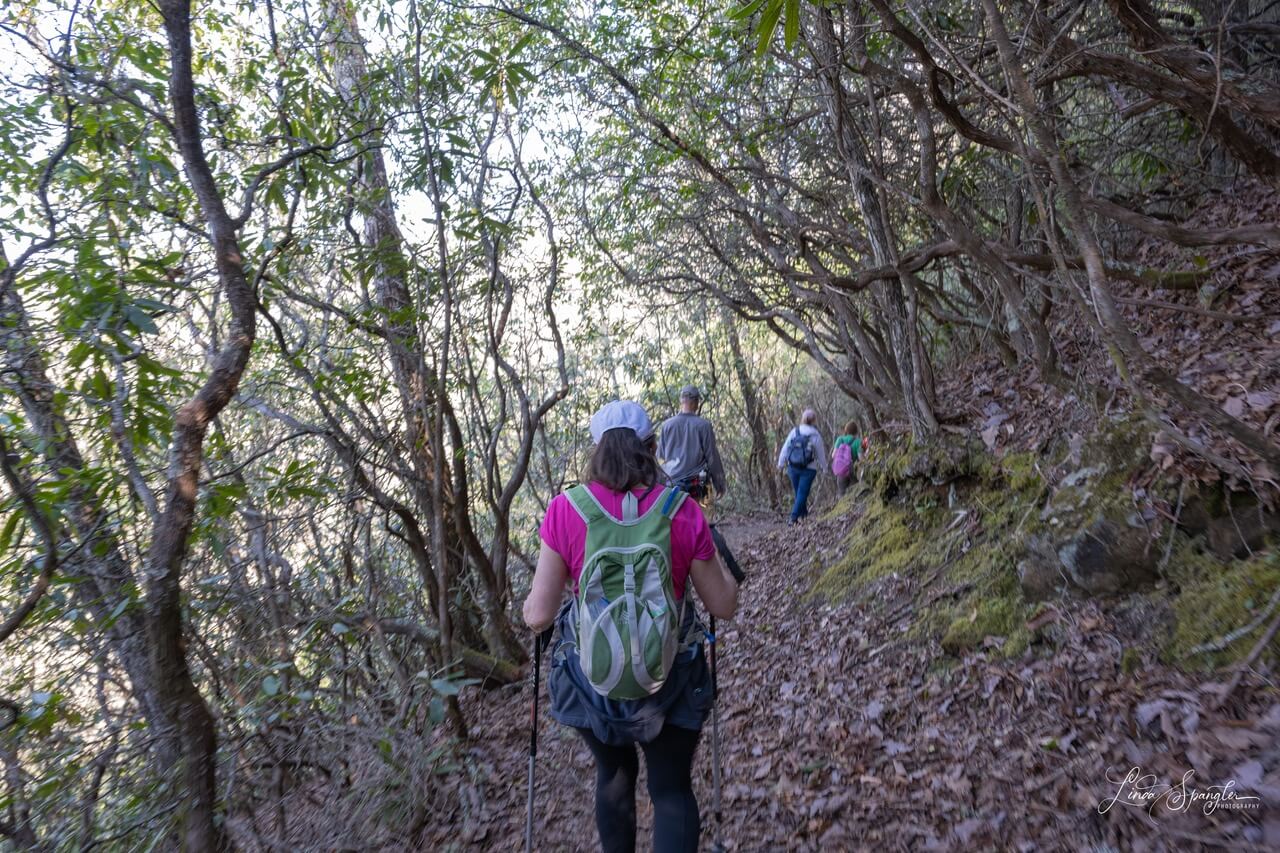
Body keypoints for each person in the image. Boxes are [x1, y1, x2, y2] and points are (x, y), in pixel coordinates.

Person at [523, 400, 739, 853]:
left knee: (613, 780)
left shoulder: (566, 510)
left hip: (595, 686)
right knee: (672, 791)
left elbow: (539, 615)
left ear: (595, 452)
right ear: (652, 447)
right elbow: (723, 606)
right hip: (671, 682)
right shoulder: (681, 510)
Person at [657, 385, 726, 500]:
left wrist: (660, 486)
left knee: (675, 518)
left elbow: (659, 459)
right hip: (698, 486)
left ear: (681, 400)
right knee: (703, 517)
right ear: (696, 402)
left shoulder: (667, 426)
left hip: (672, 487)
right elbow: (712, 457)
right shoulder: (703, 426)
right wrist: (719, 484)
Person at [776, 408, 827, 524]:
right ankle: (793, 518)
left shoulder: (795, 431)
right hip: (809, 469)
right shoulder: (815, 435)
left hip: (793, 467)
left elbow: (785, 448)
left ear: (803, 419)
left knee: (799, 493)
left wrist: (780, 463)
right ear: (814, 420)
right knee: (802, 493)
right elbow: (820, 454)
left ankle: (803, 516)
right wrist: (825, 468)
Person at [831, 419, 864, 496]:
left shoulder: (840, 439)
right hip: (852, 469)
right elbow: (861, 459)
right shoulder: (858, 441)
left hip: (841, 470)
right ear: (856, 431)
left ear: (846, 430)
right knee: (855, 491)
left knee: (842, 493)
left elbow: (833, 455)